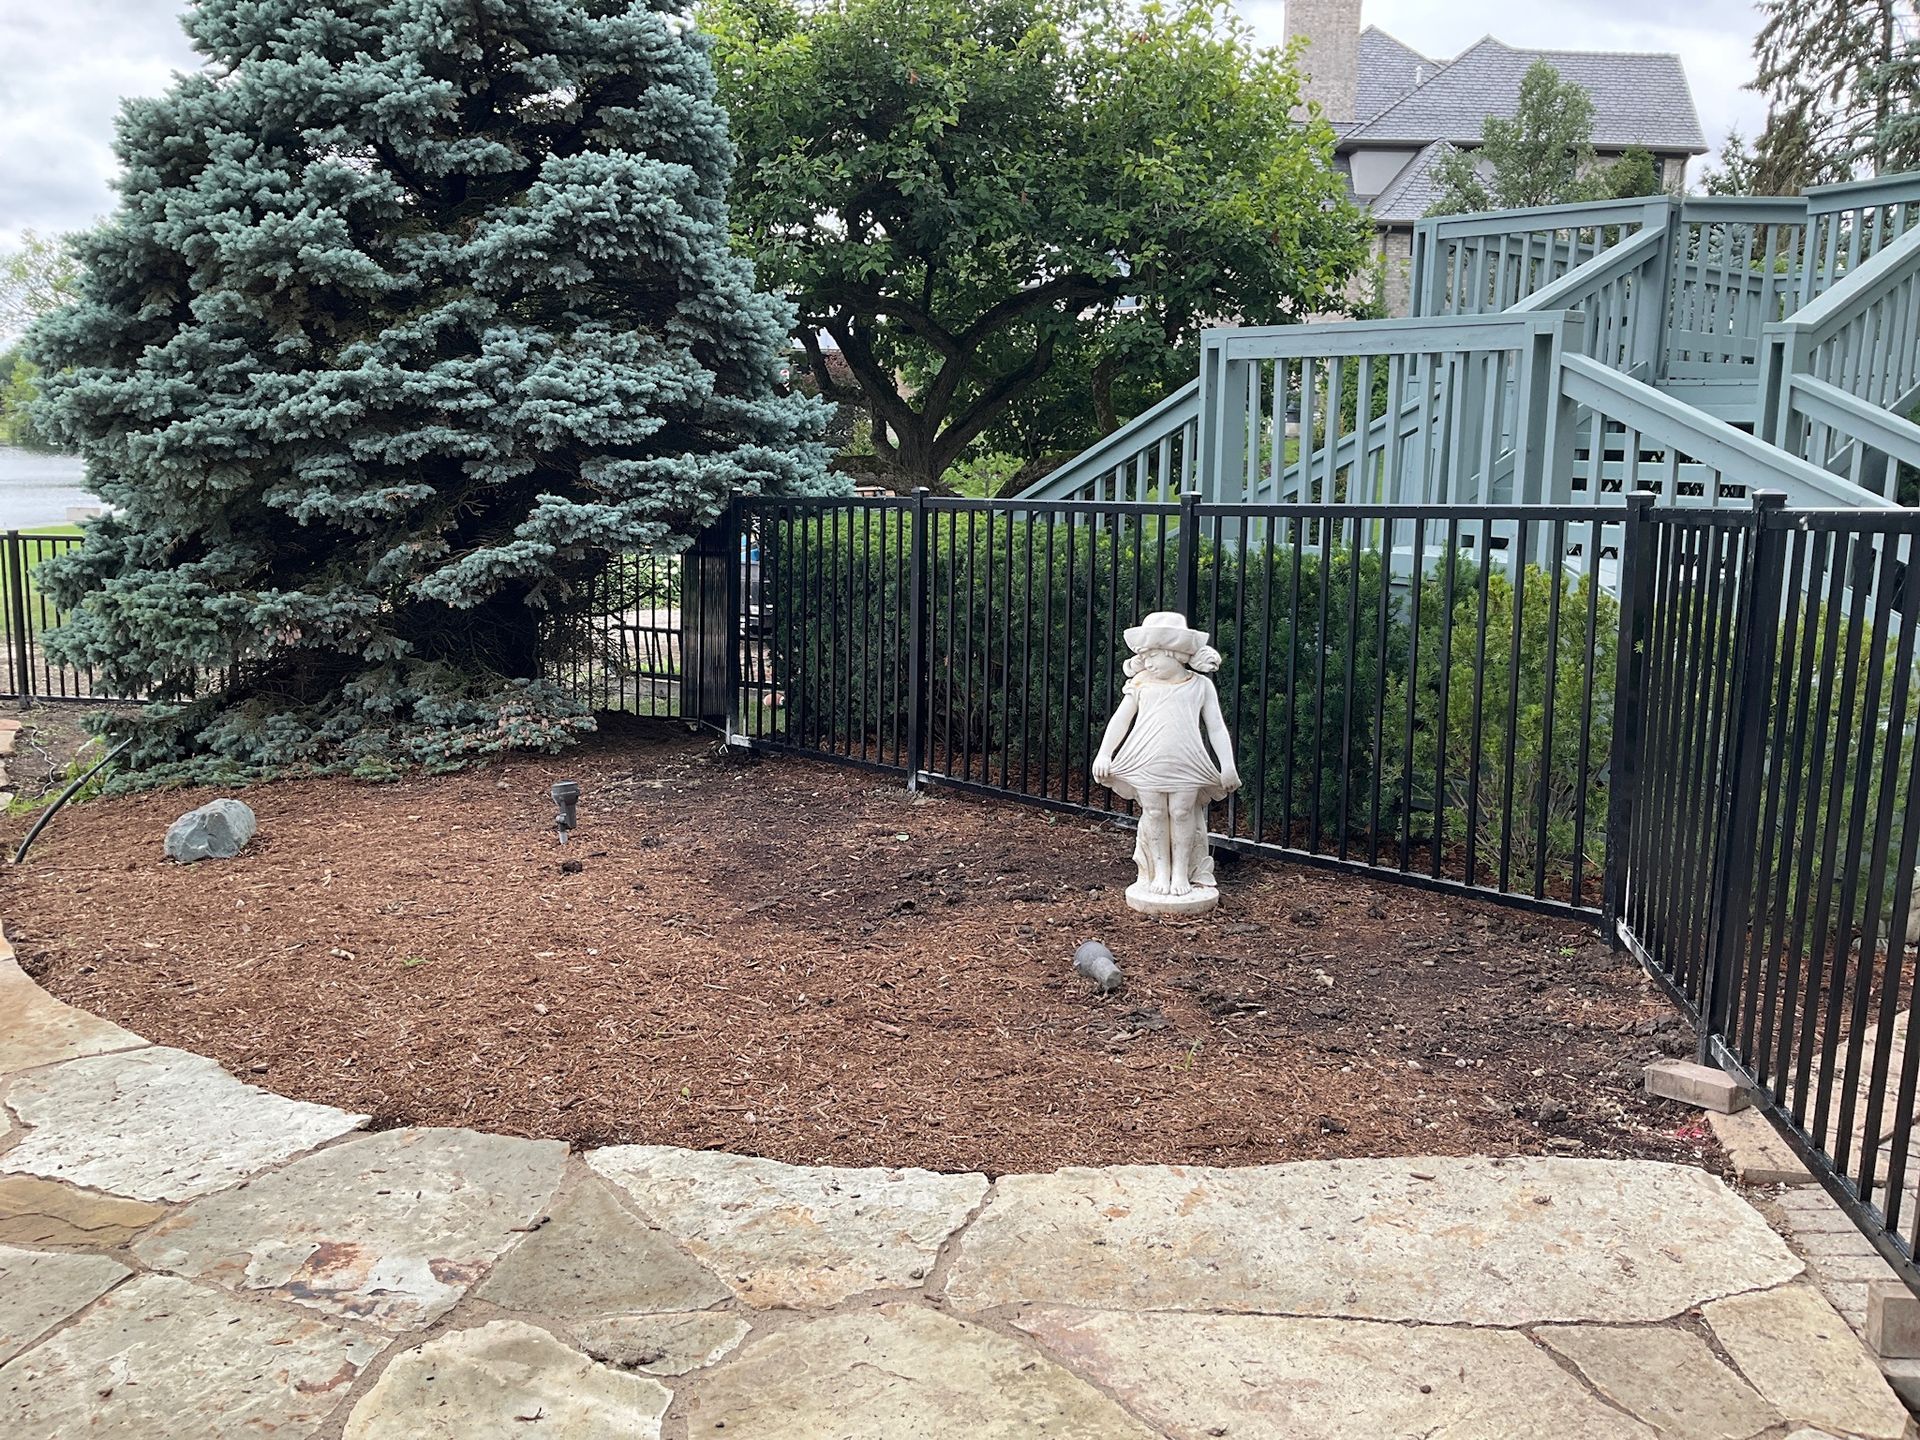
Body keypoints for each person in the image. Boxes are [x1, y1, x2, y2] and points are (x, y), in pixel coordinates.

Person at [1091, 611, 1240, 912]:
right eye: (1145, 656)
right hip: (1148, 760)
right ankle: (1160, 870)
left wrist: (1227, 765)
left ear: (1176, 654)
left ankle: (1181, 871)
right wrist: (1105, 753)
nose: (1148, 663)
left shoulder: (1200, 686)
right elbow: (1120, 721)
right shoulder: (1141, 685)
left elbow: (1216, 727)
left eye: (1154, 655)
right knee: (1155, 812)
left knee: (1183, 812)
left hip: (1186, 761)